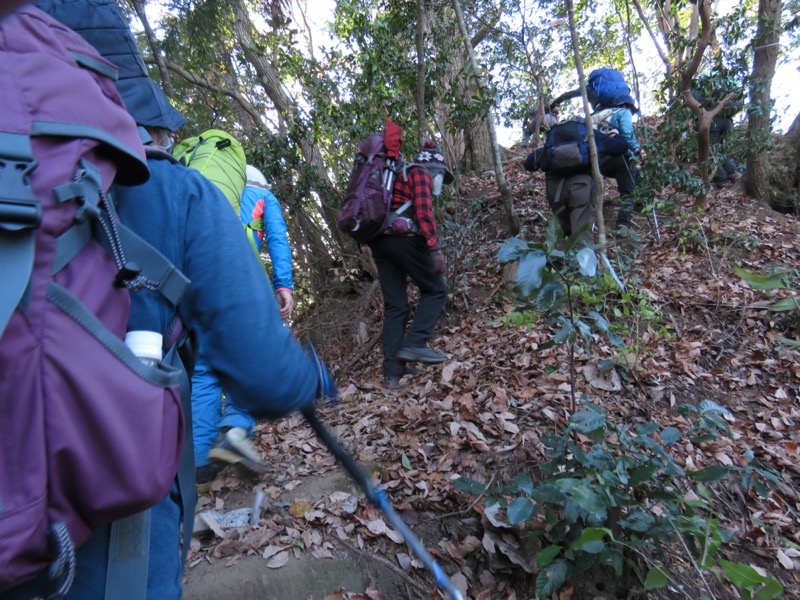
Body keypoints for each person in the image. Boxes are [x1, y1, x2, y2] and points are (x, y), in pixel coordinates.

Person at [10, 2, 337, 599]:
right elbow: (262, 369)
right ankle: (224, 437)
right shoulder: (174, 193)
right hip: (110, 544)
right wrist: (312, 377)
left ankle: (219, 438)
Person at [192, 164, 296, 490]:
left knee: (203, 370)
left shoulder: (200, 191)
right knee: (252, 359)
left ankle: (198, 465)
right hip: (242, 284)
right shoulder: (263, 195)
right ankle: (235, 430)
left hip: (197, 285)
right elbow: (277, 237)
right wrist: (283, 284)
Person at [368, 139, 452, 388]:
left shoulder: (395, 175)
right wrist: (434, 249)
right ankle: (415, 343)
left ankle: (392, 373)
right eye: (440, 177)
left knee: (396, 306)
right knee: (437, 289)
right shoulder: (419, 172)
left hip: (380, 242)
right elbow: (424, 213)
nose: (438, 184)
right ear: (436, 170)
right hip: (404, 238)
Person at [524, 118, 629, 242]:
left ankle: (564, 258)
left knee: (565, 236)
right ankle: (580, 259)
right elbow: (621, 147)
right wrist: (614, 134)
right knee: (581, 239)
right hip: (581, 187)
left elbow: (529, 164)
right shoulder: (588, 134)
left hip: (555, 192)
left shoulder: (552, 142)